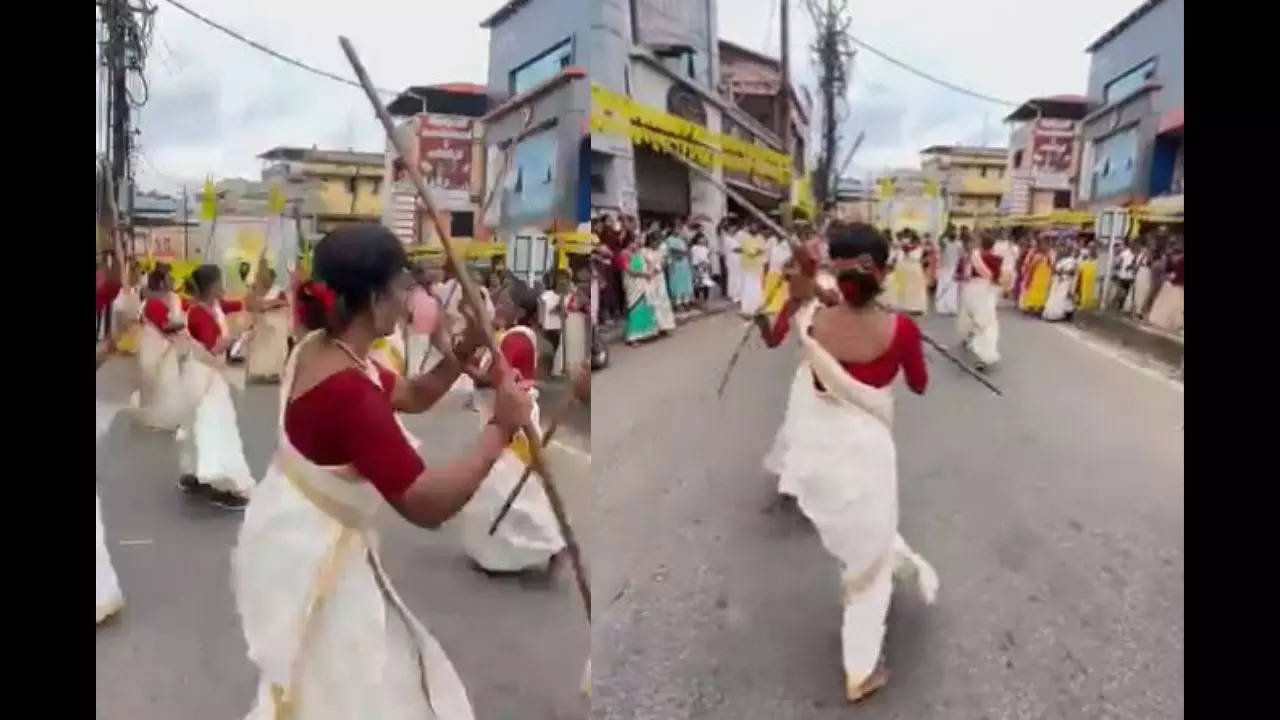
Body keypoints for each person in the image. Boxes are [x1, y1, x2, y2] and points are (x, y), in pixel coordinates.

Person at [233, 223, 532, 720]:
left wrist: (464, 348)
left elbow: (414, 395)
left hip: (300, 541)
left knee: (335, 683)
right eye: (401, 287)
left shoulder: (328, 349)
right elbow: (427, 502)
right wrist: (501, 429)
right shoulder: (348, 392)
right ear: (375, 299)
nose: (409, 298)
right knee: (347, 687)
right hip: (317, 560)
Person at [761, 222, 938, 703]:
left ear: (836, 271)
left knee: (858, 542)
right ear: (883, 271)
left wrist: (803, 282)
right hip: (869, 455)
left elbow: (790, 315)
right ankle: (859, 668)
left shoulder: (813, 317)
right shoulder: (901, 328)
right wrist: (905, 340)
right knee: (871, 557)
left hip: (820, 453)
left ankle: (861, 579)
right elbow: (919, 385)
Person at [455, 300, 566, 574]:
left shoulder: (515, 339)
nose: (497, 309)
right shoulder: (509, 337)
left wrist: (462, 365)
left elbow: (493, 378)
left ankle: (551, 543)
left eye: (504, 306)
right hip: (507, 413)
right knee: (506, 486)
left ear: (518, 312)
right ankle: (502, 550)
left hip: (514, 417)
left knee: (512, 483)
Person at [178, 264, 255, 509]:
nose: (224, 287)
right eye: (221, 282)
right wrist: (237, 335)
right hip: (205, 377)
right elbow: (214, 347)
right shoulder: (198, 314)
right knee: (216, 428)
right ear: (211, 286)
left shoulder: (214, 308)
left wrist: (249, 286)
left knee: (200, 425)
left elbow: (244, 303)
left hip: (205, 376)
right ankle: (232, 487)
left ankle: (198, 473)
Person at [130, 266, 190, 431]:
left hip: (165, 349)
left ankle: (167, 418)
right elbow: (166, 326)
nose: (173, 280)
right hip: (154, 349)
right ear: (162, 282)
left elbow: (182, 311)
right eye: (169, 277)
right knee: (157, 384)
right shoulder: (153, 303)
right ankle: (156, 420)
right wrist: (186, 323)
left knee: (167, 383)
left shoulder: (172, 298)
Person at [958, 235, 1004, 369]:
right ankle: (987, 353)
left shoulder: (974, 257)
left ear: (981, 244)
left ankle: (972, 341)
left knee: (970, 316)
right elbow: (997, 278)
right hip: (987, 291)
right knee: (987, 322)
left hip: (973, 290)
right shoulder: (997, 259)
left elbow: (965, 274)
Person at [245, 264, 291, 383]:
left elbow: (284, 303)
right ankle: (258, 373)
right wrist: (267, 304)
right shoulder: (254, 290)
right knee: (259, 350)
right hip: (260, 327)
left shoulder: (278, 291)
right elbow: (251, 305)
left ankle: (274, 373)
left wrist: (268, 304)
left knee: (275, 349)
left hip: (275, 328)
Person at [622, 234, 659, 345]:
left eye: (636, 242)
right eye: (632, 242)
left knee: (645, 307)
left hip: (643, 284)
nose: (635, 245)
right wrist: (645, 274)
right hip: (632, 285)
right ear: (628, 244)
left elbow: (650, 262)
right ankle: (633, 337)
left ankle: (644, 333)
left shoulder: (640, 253)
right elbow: (629, 271)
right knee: (634, 309)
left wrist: (651, 271)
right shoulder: (624, 254)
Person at [554, 270, 589, 377]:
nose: (562, 282)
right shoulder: (560, 293)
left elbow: (580, 303)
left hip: (576, 321)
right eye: (560, 280)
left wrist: (572, 305)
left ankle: (574, 369)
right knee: (565, 343)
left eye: (564, 279)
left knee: (574, 344)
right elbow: (557, 307)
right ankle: (563, 368)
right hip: (567, 322)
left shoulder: (577, 291)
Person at [1147, 239, 1184, 332]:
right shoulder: (1171, 257)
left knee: (1175, 305)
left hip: (1177, 285)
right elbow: (1167, 269)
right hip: (1170, 284)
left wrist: (1173, 276)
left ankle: (1172, 323)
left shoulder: (1179, 259)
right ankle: (1162, 321)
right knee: (1167, 303)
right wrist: (1168, 275)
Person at [644, 232, 677, 332]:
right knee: (651, 299)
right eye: (655, 241)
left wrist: (657, 269)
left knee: (661, 299)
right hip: (648, 277)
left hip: (659, 277)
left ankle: (664, 325)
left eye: (658, 241)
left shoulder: (661, 251)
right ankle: (653, 327)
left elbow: (663, 263)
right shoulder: (645, 251)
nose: (656, 243)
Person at [1043, 242, 1079, 322]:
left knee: (1064, 298)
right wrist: (1057, 272)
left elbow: (1073, 272)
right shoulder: (1060, 260)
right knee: (1055, 297)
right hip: (1058, 281)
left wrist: (1063, 273)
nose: (1064, 251)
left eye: (1067, 249)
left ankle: (1064, 315)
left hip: (1066, 282)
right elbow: (1055, 270)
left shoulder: (1072, 261)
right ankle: (1052, 314)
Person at [736, 223, 767, 316]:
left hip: (757, 266)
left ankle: (757, 306)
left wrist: (754, 253)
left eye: (755, 226)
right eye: (752, 226)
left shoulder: (761, 238)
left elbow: (761, 250)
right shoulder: (745, 238)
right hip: (746, 266)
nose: (753, 228)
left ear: (758, 228)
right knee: (746, 287)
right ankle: (746, 308)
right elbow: (741, 248)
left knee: (756, 287)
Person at [1017, 236, 1052, 314]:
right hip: (1035, 278)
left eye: (1047, 244)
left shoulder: (1048, 255)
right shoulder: (1035, 254)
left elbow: (1050, 266)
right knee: (1033, 291)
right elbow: (1030, 267)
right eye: (1043, 243)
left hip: (1044, 278)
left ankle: (1039, 307)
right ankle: (1031, 307)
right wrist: (1028, 277)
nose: (1045, 246)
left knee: (1042, 292)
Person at [664, 222, 695, 310]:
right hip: (675, 263)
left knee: (685, 282)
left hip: (684, 263)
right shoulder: (669, 239)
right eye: (676, 228)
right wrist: (681, 253)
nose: (678, 230)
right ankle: (677, 303)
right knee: (676, 283)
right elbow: (671, 250)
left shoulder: (683, 239)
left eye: (680, 228)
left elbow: (688, 250)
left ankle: (686, 301)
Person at [762, 230, 794, 315]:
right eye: (777, 232)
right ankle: (771, 307)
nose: (779, 234)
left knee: (782, 291)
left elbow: (792, 257)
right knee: (771, 290)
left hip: (783, 272)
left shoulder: (788, 243)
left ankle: (782, 308)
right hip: (772, 271)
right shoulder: (771, 241)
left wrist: (788, 263)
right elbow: (766, 257)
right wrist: (765, 269)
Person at [896, 233, 928, 315]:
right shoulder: (904, 248)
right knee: (910, 289)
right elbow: (901, 259)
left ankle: (917, 307)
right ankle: (909, 307)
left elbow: (923, 258)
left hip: (915, 269)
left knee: (917, 289)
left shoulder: (919, 249)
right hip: (909, 270)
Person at [933, 229, 962, 315]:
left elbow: (961, 257)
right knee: (944, 288)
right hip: (945, 269)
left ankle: (950, 308)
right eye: (952, 234)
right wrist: (945, 232)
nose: (953, 236)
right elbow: (940, 240)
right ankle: (942, 308)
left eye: (954, 234)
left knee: (952, 289)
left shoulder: (958, 245)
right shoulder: (945, 244)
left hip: (953, 269)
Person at [690, 231, 714, 304]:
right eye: (701, 239)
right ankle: (697, 298)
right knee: (697, 283)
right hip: (698, 267)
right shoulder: (694, 248)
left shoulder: (706, 248)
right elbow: (694, 257)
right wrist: (699, 264)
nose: (702, 240)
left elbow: (708, 257)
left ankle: (705, 299)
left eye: (703, 239)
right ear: (697, 239)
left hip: (705, 267)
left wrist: (709, 266)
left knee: (706, 282)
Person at [1076, 243, 1100, 311]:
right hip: (1084, 285)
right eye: (1090, 247)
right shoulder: (1084, 260)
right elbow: (1079, 271)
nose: (1091, 249)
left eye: (1093, 247)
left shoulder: (1098, 261)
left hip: (1093, 286)